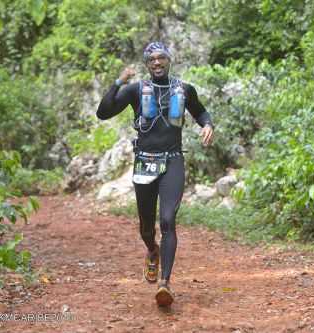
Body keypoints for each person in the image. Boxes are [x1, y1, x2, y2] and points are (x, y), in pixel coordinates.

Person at [96, 42, 214, 307]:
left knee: (168, 220)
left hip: (173, 160)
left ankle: (165, 283)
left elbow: (200, 111)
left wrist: (207, 124)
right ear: (147, 64)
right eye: (152, 60)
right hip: (145, 162)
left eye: (162, 58)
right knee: (147, 226)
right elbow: (103, 112)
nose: (157, 63)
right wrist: (118, 82)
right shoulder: (136, 90)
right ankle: (152, 249)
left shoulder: (184, 89)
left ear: (169, 60)